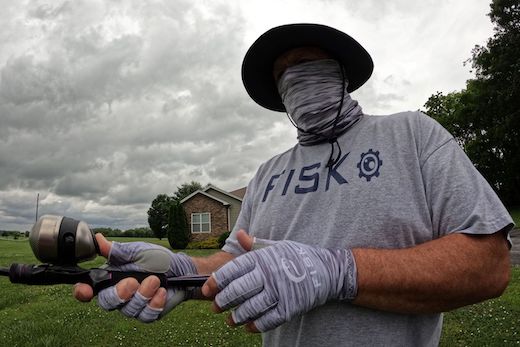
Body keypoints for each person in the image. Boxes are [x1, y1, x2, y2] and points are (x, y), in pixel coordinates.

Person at [74, 24, 514, 346]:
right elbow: (232, 260)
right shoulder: (267, 173)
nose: (294, 80)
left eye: (305, 65)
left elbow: (489, 264)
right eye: (284, 76)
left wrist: (337, 272)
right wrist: (178, 270)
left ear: (340, 73)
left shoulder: (412, 135)